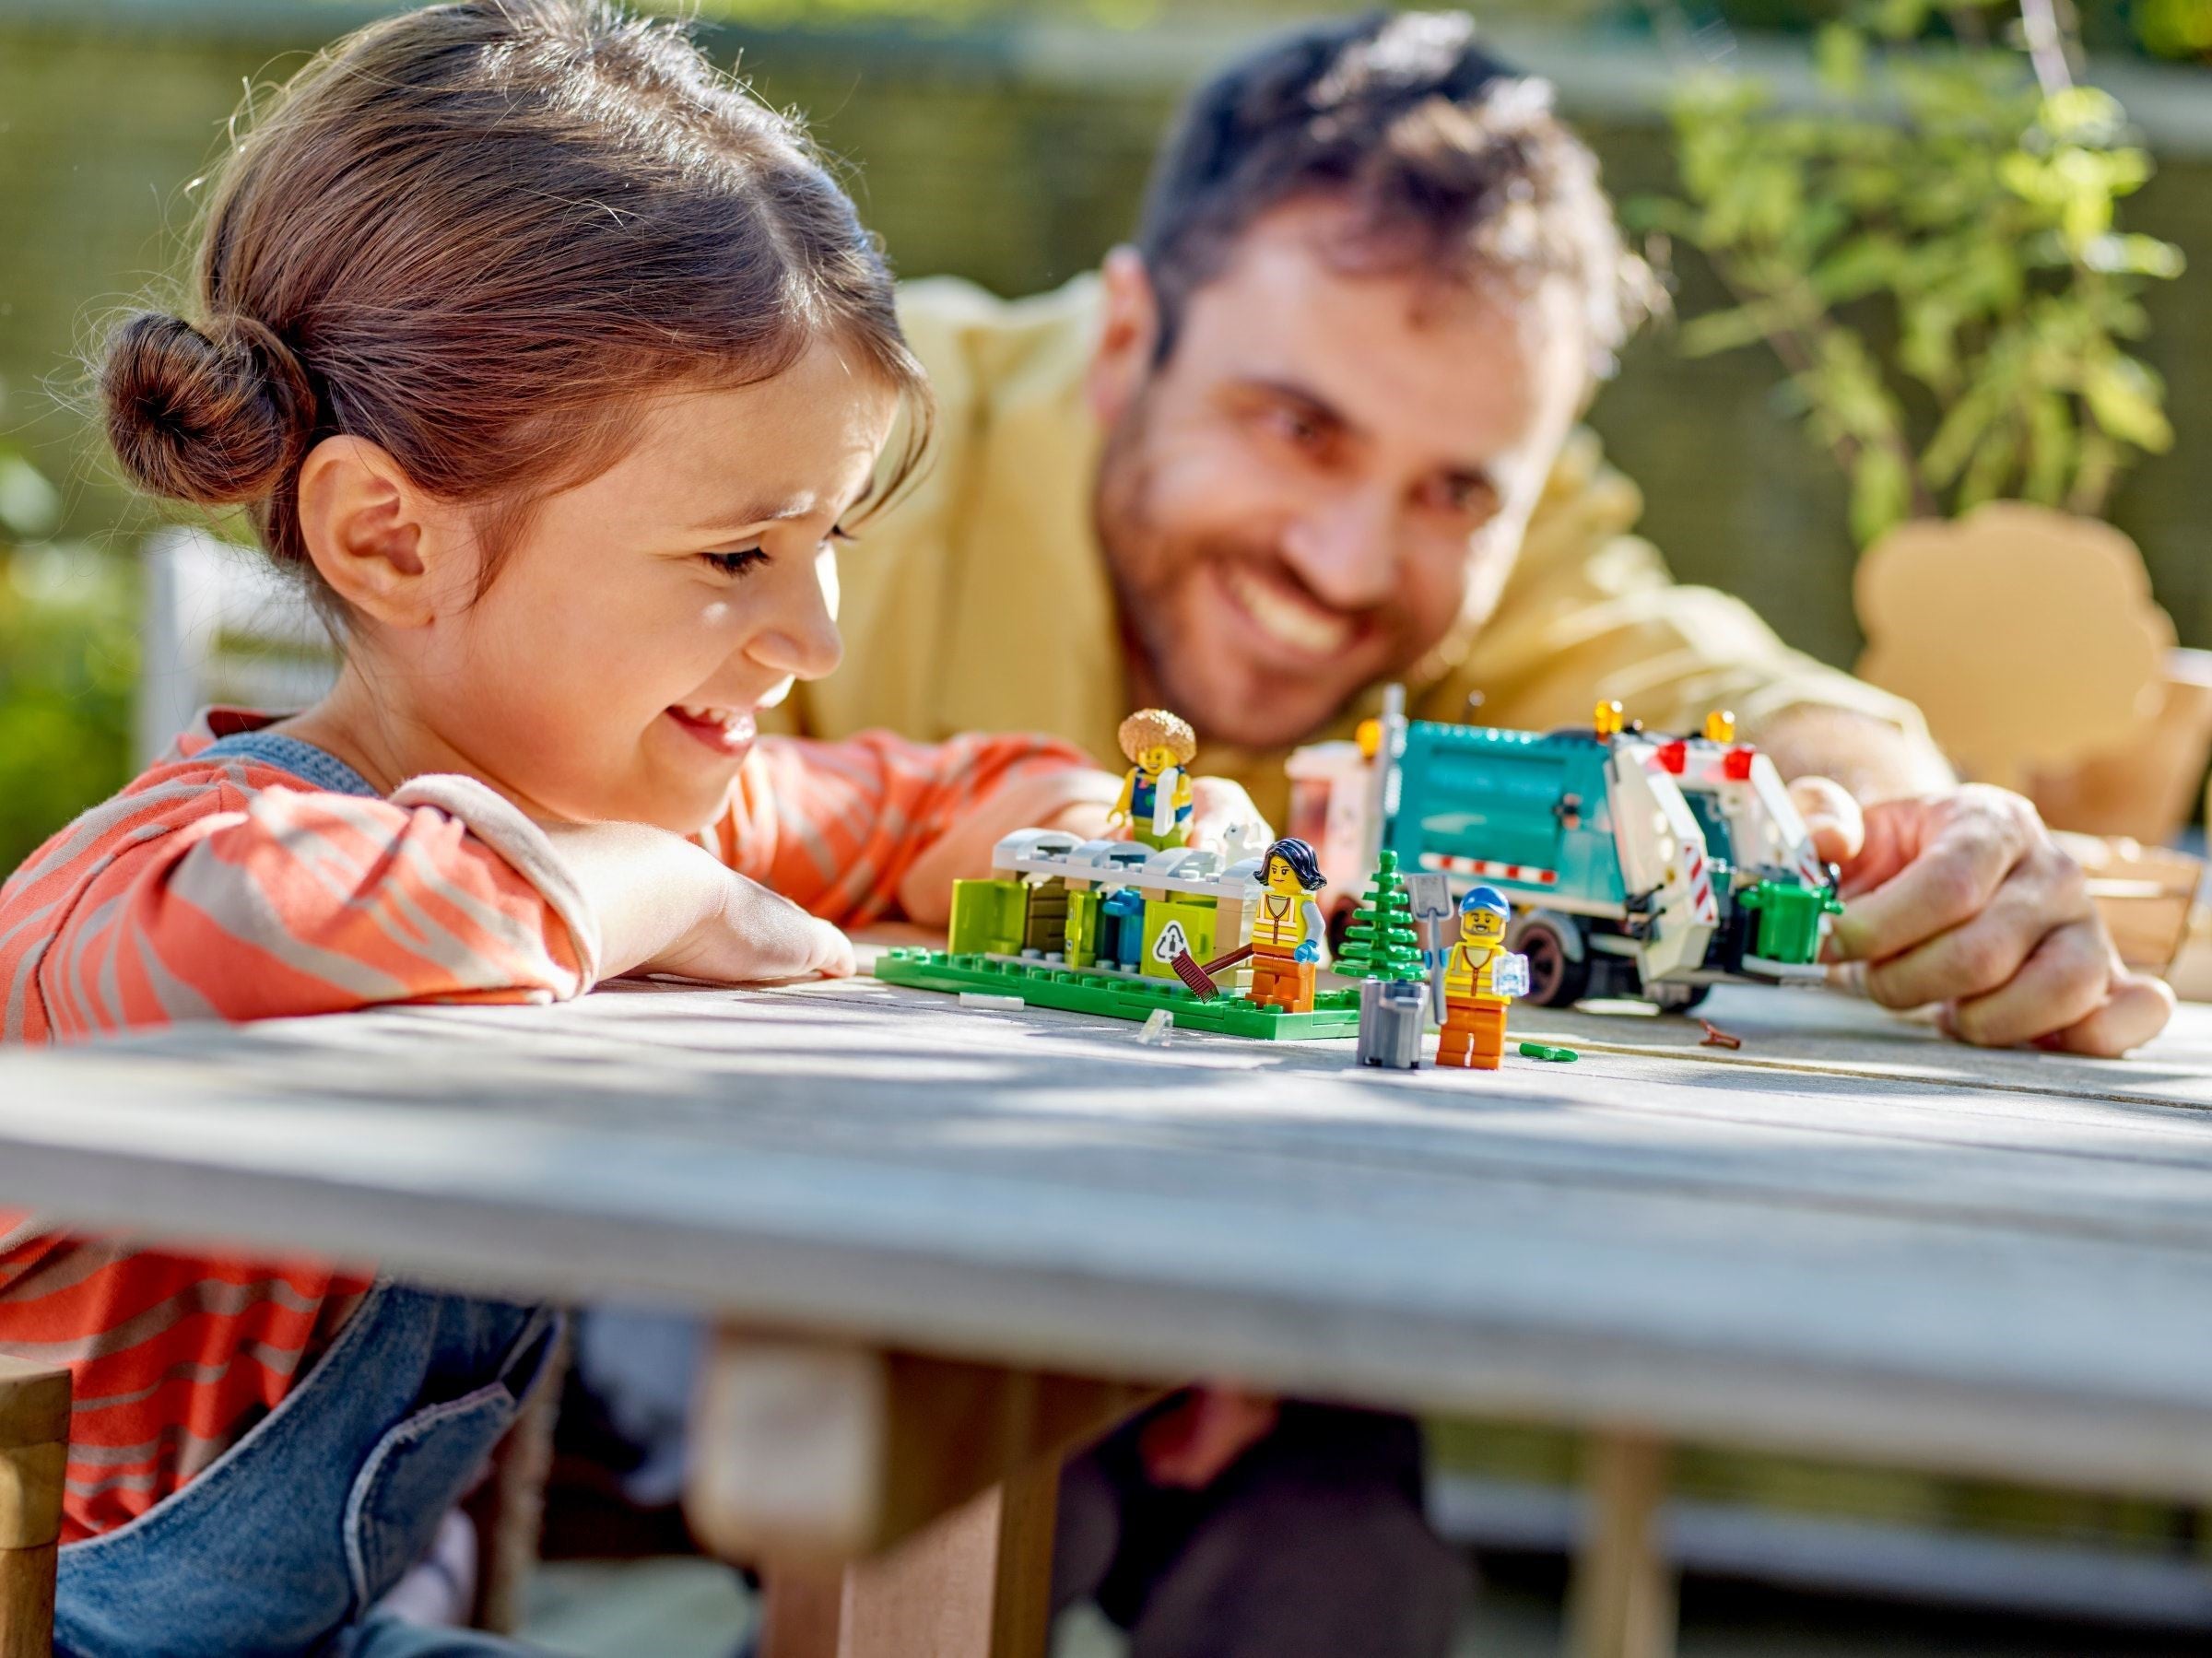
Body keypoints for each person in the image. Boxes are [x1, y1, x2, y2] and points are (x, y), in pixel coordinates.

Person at [764, 13, 2177, 1655]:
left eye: (1455, 496)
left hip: (1228, 1287)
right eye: (1297, 427)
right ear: (1126, 331)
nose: (1354, 562)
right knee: (952, 1480)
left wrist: (1918, 824)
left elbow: (1722, 686)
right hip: (755, 1238)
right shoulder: (840, 440)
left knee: (1345, 1567)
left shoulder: (1525, 554)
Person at [0, 5, 1139, 1651]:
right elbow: (224, 932)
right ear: (392, 540)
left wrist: (1098, 835)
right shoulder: (178, 858)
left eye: (832, 543)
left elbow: (923, 805)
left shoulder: (635, 795)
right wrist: (647, 888)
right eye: (736, 556)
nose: (814, 637)